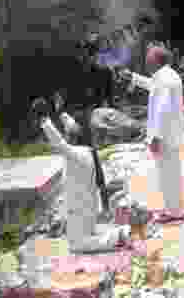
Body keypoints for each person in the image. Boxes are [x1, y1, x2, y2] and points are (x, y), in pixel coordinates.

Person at [34, 98, 132, 254]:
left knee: (76, 245)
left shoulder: (76, 154)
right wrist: (59, 110)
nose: (66, 134)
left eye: (68, 133)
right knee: (84, 235)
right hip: (88, 208)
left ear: (73, 136)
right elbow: (69, 128)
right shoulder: (88, 152)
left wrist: (44, 120)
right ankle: (114, 233)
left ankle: (119, 236)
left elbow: (58, 142)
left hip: (80, 209)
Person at [124, 45, 184, 223]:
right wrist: (134, 78)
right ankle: (173, 208)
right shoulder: (165, 76)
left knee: (168, 175)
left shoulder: (165, 79)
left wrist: (156, 137)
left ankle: (173, 211)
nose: (146, 61)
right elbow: (152, 86)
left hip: (165, 136)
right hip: (169, 134)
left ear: (155, 61)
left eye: (148, 58)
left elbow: (162, 109)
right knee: (170, 174)